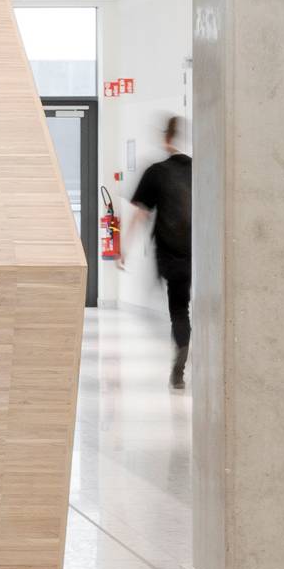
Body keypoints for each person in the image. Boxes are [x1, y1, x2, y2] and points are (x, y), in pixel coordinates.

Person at [126, 115, 193, 389]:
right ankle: (184, 346)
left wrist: (124, 250)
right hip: (196, 251)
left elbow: (141, 214)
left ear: (165, 139)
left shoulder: (155, 172)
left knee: (177, 308)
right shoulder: (197, 169)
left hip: (169, 253)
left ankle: (180, 353)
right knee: (184, 306)